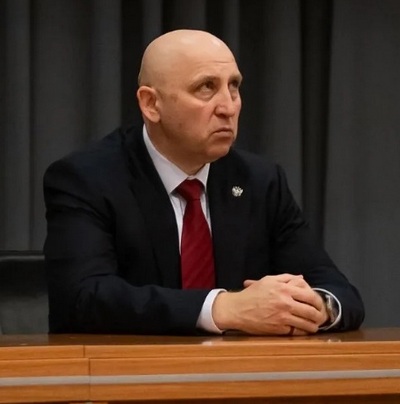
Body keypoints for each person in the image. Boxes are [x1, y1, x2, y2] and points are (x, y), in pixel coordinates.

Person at [43, 29, 364, 336]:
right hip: (131, 369)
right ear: (151, 104)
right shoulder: (87, 178)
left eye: (234, 86)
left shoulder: (259, 180)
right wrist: (222, 308)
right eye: (206, 88)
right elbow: (82, 298)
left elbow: (338, 291)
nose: (228, 107)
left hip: (240, 371)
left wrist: (315, 307)